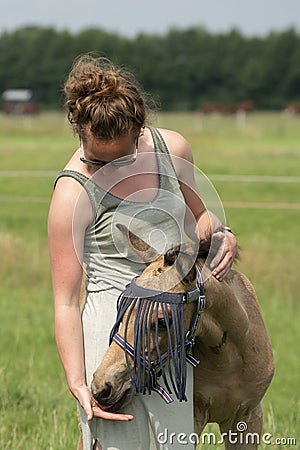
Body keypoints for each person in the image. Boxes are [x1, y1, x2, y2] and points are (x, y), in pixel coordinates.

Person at [48, 54, 237, 450]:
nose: (111, 169)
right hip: (110, 326)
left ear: (140, 132)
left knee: (175, 444)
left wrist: (223, 234)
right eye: (97, 160)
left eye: (125, 159)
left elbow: (199, 219)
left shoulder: (174, 150)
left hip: (167, 323)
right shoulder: (71, 193)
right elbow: (65, 300)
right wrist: (77, 381)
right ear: (81, 136)